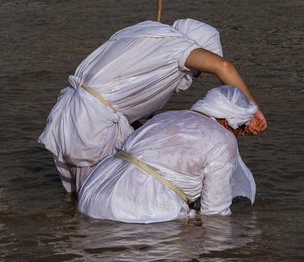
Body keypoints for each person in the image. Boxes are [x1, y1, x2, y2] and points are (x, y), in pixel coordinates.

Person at [38, 19, 267, 193]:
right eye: (198, 70)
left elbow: (120, 91)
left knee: (73, 202)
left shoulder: (143, 33)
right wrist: (252, 111)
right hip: (92, 123)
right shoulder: (179, 47)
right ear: (198, 48)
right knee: (95, 201)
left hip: (67, 112)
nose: (196, 75)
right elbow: (223, 66)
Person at [77, 85, 258, 223]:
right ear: (229, 123)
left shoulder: (168, 115)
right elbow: (215, 212)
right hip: (136, 209)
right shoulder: (224, 138)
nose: (240, 134)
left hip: (93, 192)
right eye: (241, 128)